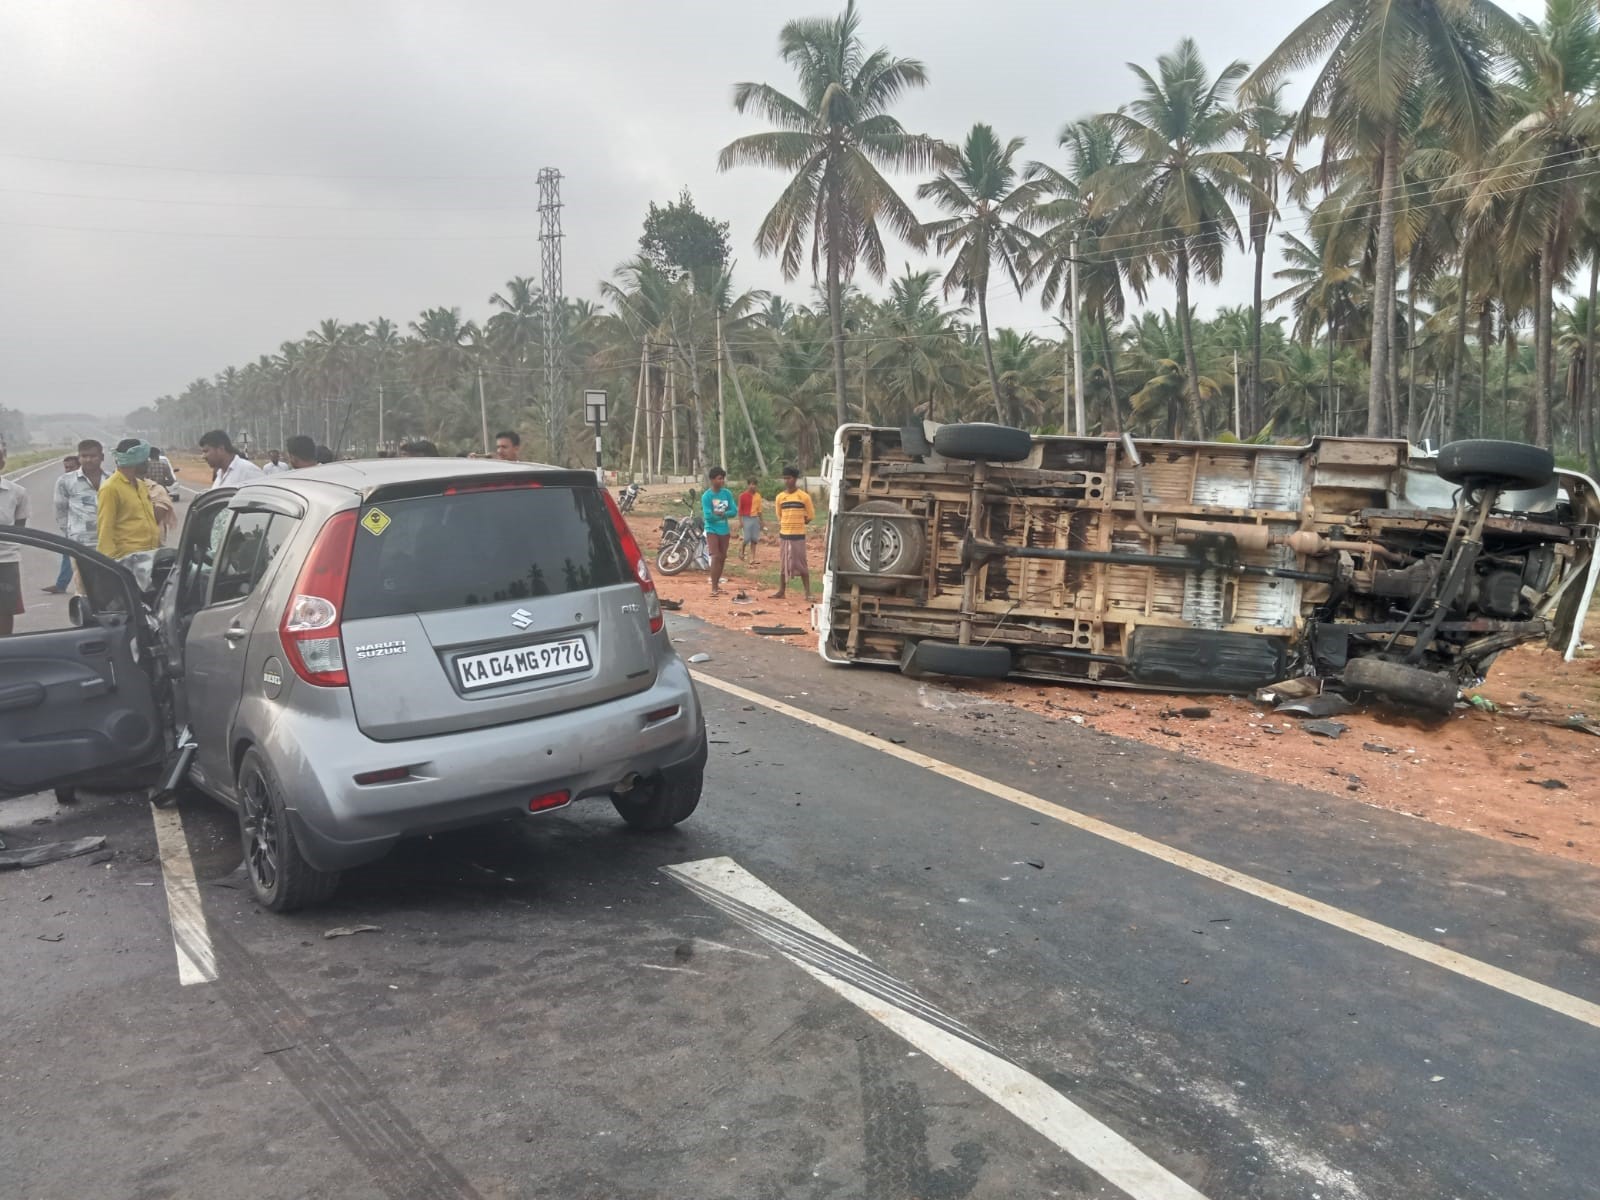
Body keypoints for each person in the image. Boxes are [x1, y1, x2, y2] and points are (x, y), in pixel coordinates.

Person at [55, 439, 108, 593]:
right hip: (80, 544)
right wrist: (70, 534)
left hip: (109, 543)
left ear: (102, 457)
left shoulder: (112, 479)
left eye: (93, 456)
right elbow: (61, 510)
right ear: (79, 457)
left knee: (108, 586)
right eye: (84, 456)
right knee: (84, 588)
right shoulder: (65, 481)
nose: (88, 460)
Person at [97, 440, 162, 562]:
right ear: (135, 460)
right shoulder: (110, 488)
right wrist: (110, 564)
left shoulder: (141, 485)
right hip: (127, 559)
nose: (148, 462)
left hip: (150, 555)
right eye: (145, 459)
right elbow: (105, 529)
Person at [770, 466, 816, 602]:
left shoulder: (804, 497)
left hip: (798, 535)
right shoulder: (780, 497)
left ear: (795, 479)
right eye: (784, 478)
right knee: (784, 563)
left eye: (789, 478)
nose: (786, 481)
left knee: (801, 563)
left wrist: (801, 521)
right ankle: (781, 591)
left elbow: (810, 515)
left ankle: (808, 593)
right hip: (784, 535)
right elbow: (779, 515)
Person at [0, 443, 31, 636]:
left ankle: (5, 648)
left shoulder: (17, 492)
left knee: (5, 610)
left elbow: (19, 528)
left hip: (5, 560)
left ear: (3, 461)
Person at [44, 453, 80, 593]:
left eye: (71, 467)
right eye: (66, 467)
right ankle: (61, 584)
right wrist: (65, 526)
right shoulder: (63, 483)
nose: (68, 470)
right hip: (71, 526)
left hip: (92, 527)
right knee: (68, 553)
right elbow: (60, 506)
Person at [701, 466, 736, 597]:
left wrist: (721, 514)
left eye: (723, 478)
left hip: (724, 530)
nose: (722, 481)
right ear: (712, 480)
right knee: (715, 556)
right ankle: (714, 587)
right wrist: (723, 513)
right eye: (719, 478)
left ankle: (717, 584)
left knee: (722, 557)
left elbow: (734, 511)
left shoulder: (727, 494)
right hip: (711, 529)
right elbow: (708, 516)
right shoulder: (707, 496)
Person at [200, 429, 265, 487]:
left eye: (206, 451)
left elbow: (264, 494)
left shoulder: (248, 471)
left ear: (221, 449)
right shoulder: (220, 473)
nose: (203, 456)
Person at [737, 476, 764, 564]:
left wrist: (762, 521)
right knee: (747, 538)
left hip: (755, 518)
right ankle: (741, 549)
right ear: (748, 485)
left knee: (754, 539)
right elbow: (740, 510)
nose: (753, 486)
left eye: (755, 484)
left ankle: (752, 558)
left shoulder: (758, 496)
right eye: (751, 484)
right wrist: (740, 521)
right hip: (746, 518)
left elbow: (759, 510)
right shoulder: (742, 496)